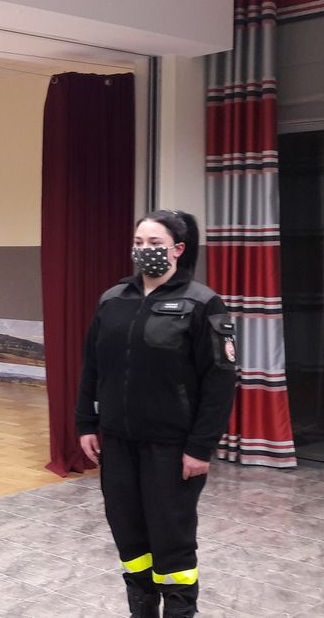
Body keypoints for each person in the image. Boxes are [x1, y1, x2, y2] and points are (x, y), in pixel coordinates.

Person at [75, 210, 238, 618]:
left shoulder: (203, 303)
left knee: (171, 540)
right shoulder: (113, 299)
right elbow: (93, 367)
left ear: (177, 249)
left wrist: (200, 448)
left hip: (172, 448)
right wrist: (86, 423)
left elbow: (220, 382)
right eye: (139, 242)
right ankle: (142, 610)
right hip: (117, 442)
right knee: (129, 536)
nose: (144, 250)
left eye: (154, 243)